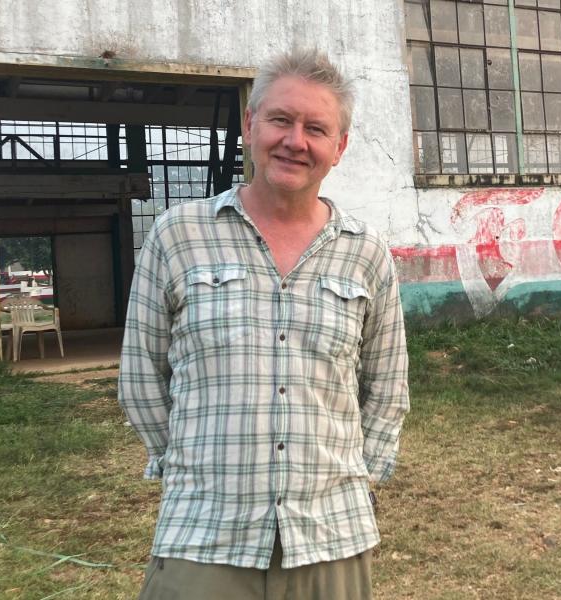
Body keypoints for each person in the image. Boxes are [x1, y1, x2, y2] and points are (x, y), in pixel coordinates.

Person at [119, 48, 410, 600]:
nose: (295, 141)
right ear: (251, 125)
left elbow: (387, 386)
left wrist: (350, 478)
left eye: (316, 128)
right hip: (204, 534)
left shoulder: (366, 253)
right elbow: (140, 379)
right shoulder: (177, 237)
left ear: (339, 148)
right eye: (281, 119)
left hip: (331, 536)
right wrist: (193, 467)